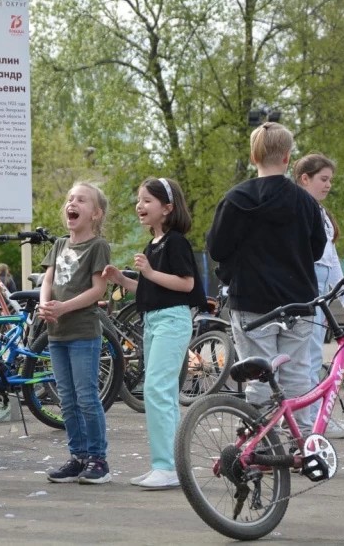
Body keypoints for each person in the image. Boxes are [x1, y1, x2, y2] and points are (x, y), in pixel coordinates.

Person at [207, 122, 326, 438]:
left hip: (252, 301)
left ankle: (260, 442)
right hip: (298, 300)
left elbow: (217, 247)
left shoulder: (235, 200)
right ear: (288, 157)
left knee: (259, 374)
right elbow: (316, 249)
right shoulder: (305, 202)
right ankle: (301, 441)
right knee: (298, 374)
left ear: (253, 155)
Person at [103, 177, 207, 489]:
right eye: (139, 199)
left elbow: (186, 284)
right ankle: (169, 464)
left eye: (147, 200)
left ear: (168, 208)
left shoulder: (175, 242)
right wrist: (124, 280)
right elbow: (151, 288)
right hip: (154, 321)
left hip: (172, 321)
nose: (140, 205)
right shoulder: (154, 244)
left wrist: (148, 272)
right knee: (157, 392)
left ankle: (169, 467)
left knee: (158, 390)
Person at [40, 182, 112, 484]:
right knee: (66, 399)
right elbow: (48, 280)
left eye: (81, 200)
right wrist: (45, 305)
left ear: (95, 213)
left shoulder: (98, 246)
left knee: (86, 397)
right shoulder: (59, 245)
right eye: (70, 199)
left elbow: (98, 289)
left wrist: (64, 307)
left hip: (83, 333)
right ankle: (78, 456)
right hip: (57, 334)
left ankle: (98, 459)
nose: (73, 203)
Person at [293, 153, 344, 438]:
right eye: (323, 179)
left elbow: (331, 260)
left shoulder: (321, 214)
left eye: (330, 179)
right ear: (304, 179)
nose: (328, 185)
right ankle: (308, 419)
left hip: (320, 290)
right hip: (305, 287)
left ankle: (315, 417)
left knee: (312, 355)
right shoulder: (299, 209)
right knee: (304, 357)